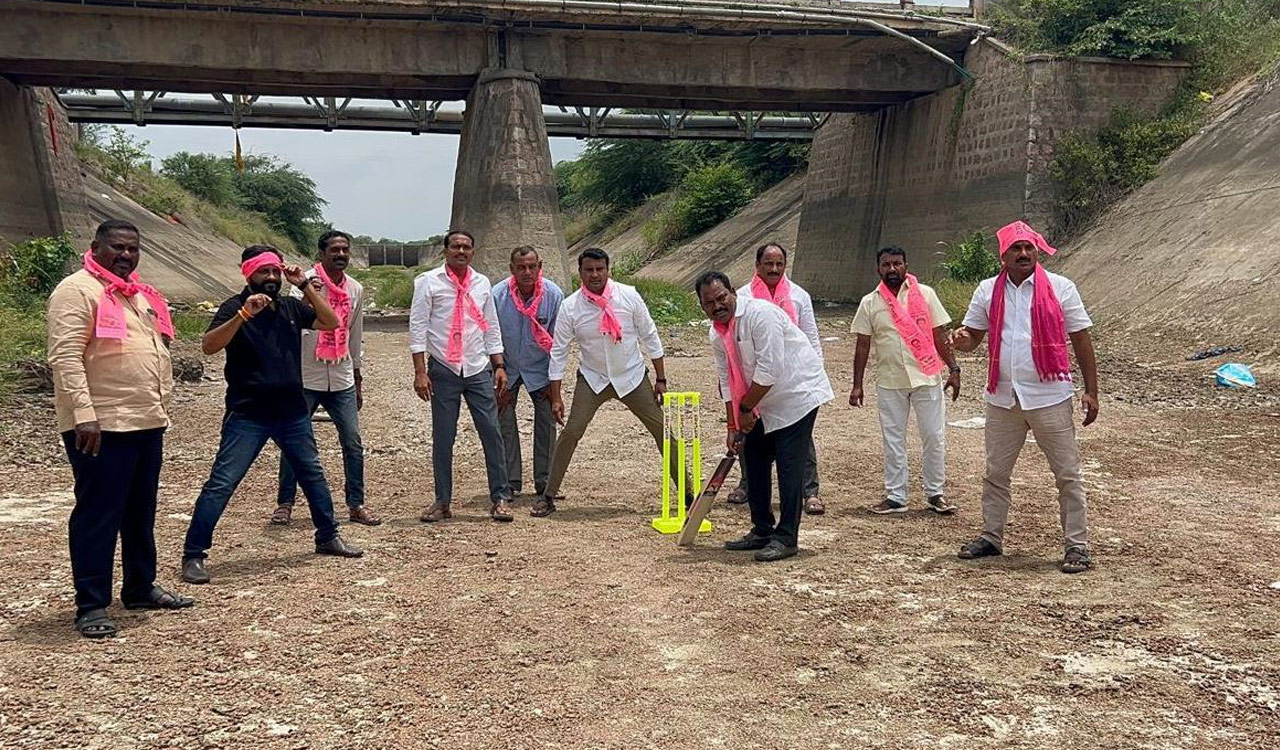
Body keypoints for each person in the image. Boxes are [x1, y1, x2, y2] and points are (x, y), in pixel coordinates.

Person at [182, 246, 364, 585]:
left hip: (292, 412)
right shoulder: (234, 307)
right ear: (248, 274)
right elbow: (208, 345)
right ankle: (194, 554)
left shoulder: (291, 307)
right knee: (222, 483)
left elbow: (331, 322)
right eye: (263, 272)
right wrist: (243, 316)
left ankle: (327, 536)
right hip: (248, 414)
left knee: (312, 476)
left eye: (275, 272)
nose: (270, 278)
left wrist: (305, 285)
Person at [48, 219, 195, 638]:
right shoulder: (77, 291)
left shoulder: (137, 295)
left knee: (139, 509)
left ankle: (139, 586)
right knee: (98, 513)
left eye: (132, 248)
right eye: (117, 248)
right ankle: (91, 604)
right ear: (95, 247)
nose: (126, 255)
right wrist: (83, 414)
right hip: (100, 424)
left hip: (144, 419)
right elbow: (66, 358)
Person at [950, 221, 1099, 574]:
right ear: (1003, 255)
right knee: (995, 472)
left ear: (1037, 251)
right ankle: (991, 536)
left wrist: (1091, 391)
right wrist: (961, 341)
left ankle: (1076, 545)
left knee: (1067, 474)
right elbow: (974, 336)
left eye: (1028, 248)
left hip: (1050, 394)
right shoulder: (987, 290)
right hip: (1003, 398)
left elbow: (1081, 339)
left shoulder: (1061, 288)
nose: (1022, 254)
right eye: (1015, 249)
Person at [534, 248, 685, 518]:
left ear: (608, 270)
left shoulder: (628, 295)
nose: (594, 275)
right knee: (571, 432)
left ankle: (688, 493)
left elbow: (650, 336)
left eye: (599, 269)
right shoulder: (570, 307)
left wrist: (661, 378)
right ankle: (548, 495)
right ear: (579, 272)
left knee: (662, 430)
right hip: (593, 379)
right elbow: (559, 352)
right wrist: (556, 396)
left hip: (631, 376)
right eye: (588, 270)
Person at [697, 270, 834, 562]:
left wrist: (746, 410)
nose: (717, 306)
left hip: (797, 395)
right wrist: (733, 425)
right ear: (702, 306)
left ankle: (786, 538)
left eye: (721, 297)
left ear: (733, 292)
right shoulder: (716, 332)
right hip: (760, 401)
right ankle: (761, 530)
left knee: (789, 464)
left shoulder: (761, 315)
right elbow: (726, 380)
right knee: (754, 458)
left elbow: (769, 370)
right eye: (709, 303)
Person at [273, 229, 381, 527]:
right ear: (322, 253)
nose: (341, 255)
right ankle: (285, 503)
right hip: (306, 376)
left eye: (345, 250)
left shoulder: (355, 289)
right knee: (295, 441)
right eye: (335, 250)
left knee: (353, 442)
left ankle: (356, 504)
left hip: (342, 375)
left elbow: (355, 334)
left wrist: (358, 377)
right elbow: (295, 325)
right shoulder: (304, 284)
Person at [408, 230, 514, 522]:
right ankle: (442, 501)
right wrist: (420, 372)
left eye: (467, 247)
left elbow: (491, 326)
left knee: (491, 432)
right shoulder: (428, 282)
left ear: (473, 252)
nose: (461, 251)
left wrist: (500, 364)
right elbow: (418, 328)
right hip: (444, 368)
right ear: (445, 250)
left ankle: (501, 498)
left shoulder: (482, 283)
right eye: (455, 246)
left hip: (478, 367)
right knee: (443, 436)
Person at [850, 246, 961, 515]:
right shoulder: (870, 302)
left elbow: (939, 335)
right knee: (893, 439)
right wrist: (857, 384)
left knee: (934, 436)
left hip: (927, 376)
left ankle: (935, 494)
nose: (892, 269)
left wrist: (954, 369)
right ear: (878, 268)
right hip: (890, 381)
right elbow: (863, 345)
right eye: (886, 265)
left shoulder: (926, 294)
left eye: (897, 264)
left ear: (906, 265)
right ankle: (896, 496)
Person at [731, 242, 826, 515]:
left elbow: (811, 337)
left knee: (800, 438)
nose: (774, 269)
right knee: (751, 437)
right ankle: (747, 484)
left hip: (792, 381)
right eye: (768, 264)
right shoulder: (742, 296)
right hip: (756, 380)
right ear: (757, 265)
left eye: (779, 264)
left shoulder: (799, 296)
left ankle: (810, 492)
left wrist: (815, 377)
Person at [492, 246, 564, 503]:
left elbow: (560, 341)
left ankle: (546, 482)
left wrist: (554, 383)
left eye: (532, 266)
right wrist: (497, 369)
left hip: (540, 368)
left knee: (547, 422)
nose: (527, 272)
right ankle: (509, 482)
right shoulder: (497, 295)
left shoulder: (554, 295)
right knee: (504, 422)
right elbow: (490, 336)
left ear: (539, 266)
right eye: (521, 267)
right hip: (506, 367)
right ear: (511, 269)